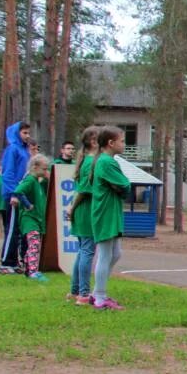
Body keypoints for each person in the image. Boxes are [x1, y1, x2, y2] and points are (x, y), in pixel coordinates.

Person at [89, 126, 132, 310]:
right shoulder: (106, 162)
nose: (124, 144)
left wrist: (122, 188)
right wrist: (122, 187)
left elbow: (122, 187)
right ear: (111, 143)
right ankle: (99, 296)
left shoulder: (107, 161)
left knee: (115, 253)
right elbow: (125, 184)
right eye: (122, 141)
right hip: (105, 213)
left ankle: (98, 291)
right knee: (106, 254)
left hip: (111, 211)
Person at [65, 126, 100, 305]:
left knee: (82, 251)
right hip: (86, 210)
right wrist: (73, 208)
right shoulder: (90, 163)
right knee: (87, 251)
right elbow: (85, 190)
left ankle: (74, 290)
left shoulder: (85, 160)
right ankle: (84, 293)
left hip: (82, 210)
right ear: (93, 141)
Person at [0, 121, 31, 274]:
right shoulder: (12, 149)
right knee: (11, 229)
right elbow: (8, 173)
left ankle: (14, 261)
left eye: (28, 133)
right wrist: (13, 194)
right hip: (13, 195)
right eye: (24, 133)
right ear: (17, 133)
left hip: (21, 194)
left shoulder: (24, 150)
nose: (27, 136)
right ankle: (5, 263)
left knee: (18, 230)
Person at [13, 154, 50, 282]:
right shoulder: (29, 180)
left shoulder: (36, 182)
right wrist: (27, 205)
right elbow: (18, 191)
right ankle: (33, 271)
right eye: (44, 169)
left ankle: (30, 269)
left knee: (34, 245)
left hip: (36, 219)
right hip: (29, 219)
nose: (46, 172)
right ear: (35, 167)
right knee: (34, 244)